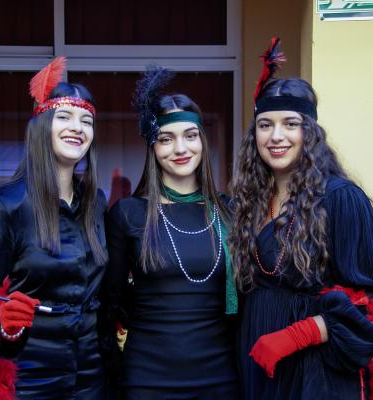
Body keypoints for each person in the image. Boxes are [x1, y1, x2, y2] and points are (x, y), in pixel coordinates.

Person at [229, 39, 373, 399]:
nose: (276, 136)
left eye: (290, 124)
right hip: (255, 364)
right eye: (265, 125)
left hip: (315, 373)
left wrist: (301, 333)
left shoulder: (340, 198)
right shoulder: (249, 201)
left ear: (310, 132)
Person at [0, 57, 108, 400]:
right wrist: (5, 325)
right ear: (41, 125)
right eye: (64, 117)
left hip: (90, 376)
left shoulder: (96, 203)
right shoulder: (5, 206)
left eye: (86, 121)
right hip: (28, 380)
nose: (77, 127)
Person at [100, 65, 239, 400]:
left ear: (202, 140)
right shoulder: (128, 214)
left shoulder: (229, 210)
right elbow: (110, 299)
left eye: (190, 136)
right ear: (153, 146)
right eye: (166, 139)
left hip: (219, 374)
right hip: (147, 375)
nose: (180, 148)